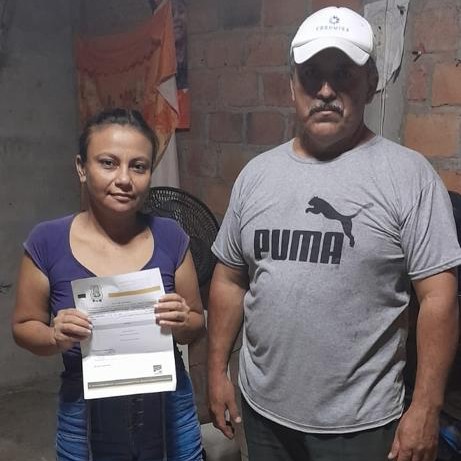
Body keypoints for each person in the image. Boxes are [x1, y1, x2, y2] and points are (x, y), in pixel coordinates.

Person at [207, 6, 461, 461]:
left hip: (360, 425)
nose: (325, 91)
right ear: (291, 85)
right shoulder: (256, 176)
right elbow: (229, 279)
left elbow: (439, 297)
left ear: (371, 82)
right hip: (263, 411)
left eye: (343, 74)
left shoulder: (409, 177)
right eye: (311, 76)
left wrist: (426, 406)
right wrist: (217, 371)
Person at [12, 108, 205, 461]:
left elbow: (195, 324)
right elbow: (24, 326)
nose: (124, 179)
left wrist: (182, 321)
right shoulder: (47, 241)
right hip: (85, 417)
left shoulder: (171, 237)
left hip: (168, 412)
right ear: (82, 168)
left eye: (138, 166)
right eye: (108, 163)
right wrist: (54, 336)